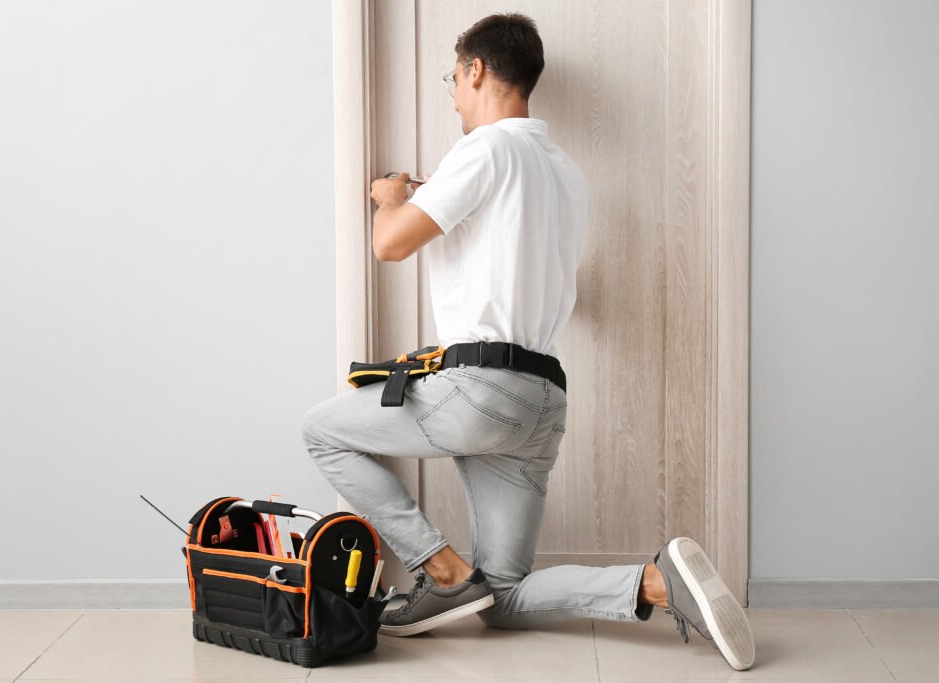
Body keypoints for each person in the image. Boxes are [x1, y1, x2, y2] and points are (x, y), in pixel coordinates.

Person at [300, 12, 754, 671]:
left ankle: (440, 565)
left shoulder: (485, 149)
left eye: (453, 78)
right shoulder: (565, 174)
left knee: (323, 430)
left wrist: (388, 198)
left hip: (479, 390)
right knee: (503, 597)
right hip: (540, 401)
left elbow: (390, 245)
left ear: (476, 70)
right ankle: (655, 582)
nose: (452, 93)